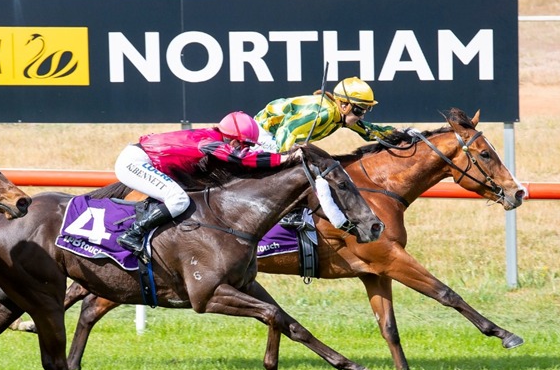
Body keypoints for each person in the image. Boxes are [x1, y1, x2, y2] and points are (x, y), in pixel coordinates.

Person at [114, 111, 298, 254]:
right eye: (245, 144)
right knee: (178, 199)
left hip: (149, 161)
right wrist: (284, 159)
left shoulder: (215, 138)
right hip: (135, 162)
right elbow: (240, 158)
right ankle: (133, 234)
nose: (246, 148)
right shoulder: (210, 143)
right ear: (234, 140)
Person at [255, 76, 396, 153]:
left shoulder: (339, 116)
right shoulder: (324, 112)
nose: (362, 116)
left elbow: (369, 132)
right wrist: (284, 158)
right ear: (344, 105)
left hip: (278, 135)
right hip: (264, 133)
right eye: (359, 110)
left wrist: (401, 134)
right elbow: (287, 129)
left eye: (365, 110)